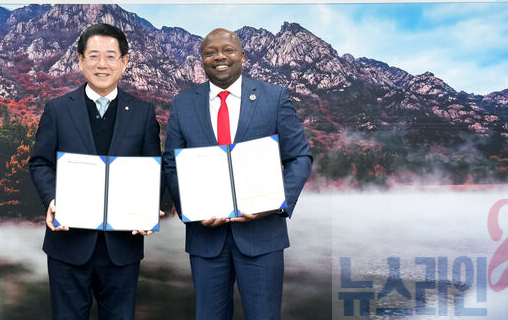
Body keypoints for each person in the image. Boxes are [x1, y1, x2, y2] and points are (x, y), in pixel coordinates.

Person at [163, 28, 313, 320]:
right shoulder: (182, 104)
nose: (219, 57)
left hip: (262, 236)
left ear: (242, 56)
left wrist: (275, 204)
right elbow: (172, 164)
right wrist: (191, 210)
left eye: (228, 50)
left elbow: (299, 157)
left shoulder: (274, 97)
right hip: (205, 239)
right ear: (202, 60)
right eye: (210, 53)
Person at [29, 23, 161, 320]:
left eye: (111, 56)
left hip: (122, 247)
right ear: (80, 60)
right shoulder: (57, 109)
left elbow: (154, 168)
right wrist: (52, 200)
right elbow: (40, 162)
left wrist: (152, 205)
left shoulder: (143, 113)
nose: (102, 64)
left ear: (124, 62)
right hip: (68, 244)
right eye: (94, 56)